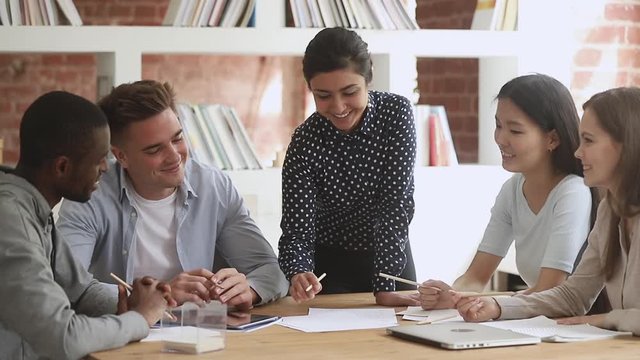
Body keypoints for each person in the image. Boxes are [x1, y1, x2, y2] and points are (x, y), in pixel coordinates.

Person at [56, 80, 288, 311]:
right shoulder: (90, 196)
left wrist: (250, 289)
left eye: (177, 138)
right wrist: (161, 295)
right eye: (155, 149)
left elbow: (270, 269)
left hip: (202, 334)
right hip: (122, 335)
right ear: (121, 156)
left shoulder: (213, 186)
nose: (174, 156)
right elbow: (66, 285)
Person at [0, 91, 176, 360]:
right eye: (99, 159)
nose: (106, 168)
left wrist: (136, 304)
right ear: (62, 167)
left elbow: (80, 292)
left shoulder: (33, 209)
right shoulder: (11, 220)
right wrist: (140, 319)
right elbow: (63, 338)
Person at [454, 87, 640, 336]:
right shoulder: (610, 210)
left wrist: (611, 318)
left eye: (589, 140)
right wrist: (497, 306)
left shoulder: (576, 193)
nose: (577, 152)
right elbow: (574, 296)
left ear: (626, 144)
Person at [419, 74, 593, 310]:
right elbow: (476, 277)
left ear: (552, 139)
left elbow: (550, 289)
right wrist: (452, 295)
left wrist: (494, 305)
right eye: (499, 125)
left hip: (575, 326)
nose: (500, 138)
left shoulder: (573, 192)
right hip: (539, 320)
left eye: (515, 131)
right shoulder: (512, 189)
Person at [278, 27, 419, 306]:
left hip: (391, 254)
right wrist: (298, 271)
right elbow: (297, 228)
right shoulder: (304, 142)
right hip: (329, 263)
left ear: (368, 79)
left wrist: (385, 282)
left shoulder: (396, 115)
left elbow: (394, 204)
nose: (339, 106)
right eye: (323, 95)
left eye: (349, 91)